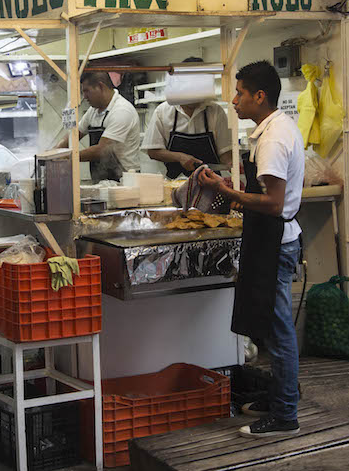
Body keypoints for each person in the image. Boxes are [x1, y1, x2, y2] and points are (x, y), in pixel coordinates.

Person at [199, 61, 305, 438]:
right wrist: (236, 190)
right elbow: (264, 195)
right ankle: (280, 395)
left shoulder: (275, 138)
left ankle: (285, 414)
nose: (235, 99)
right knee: (267, 324)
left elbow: (274, 203)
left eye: (240, 92)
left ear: (260, 96)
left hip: (275, 239)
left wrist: (229, 194)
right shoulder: (272, 129)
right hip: (270, 236)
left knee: (277, 331)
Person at [142, 59, 231, 178]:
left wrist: (232, 164)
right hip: (175, 185)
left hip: (212, 185)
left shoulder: (215, 111)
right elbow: (153, 151)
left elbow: (225, 152)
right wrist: (180, 157)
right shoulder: (163, 111)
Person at [58, 71, 140, 182]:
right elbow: (75, 135)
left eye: (87, 91)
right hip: (102, 180)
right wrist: (53, 152)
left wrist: (67, 157)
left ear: (101, 86)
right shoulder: (93, 111)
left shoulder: (122, 110)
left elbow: (102, 150)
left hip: (126, 181)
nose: (85, 96)